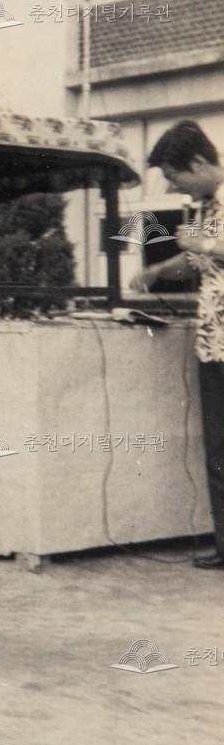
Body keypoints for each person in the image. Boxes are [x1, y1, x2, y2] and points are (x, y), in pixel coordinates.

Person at [131, 120, 224, 570]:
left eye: (175, 175)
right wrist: (156, 272)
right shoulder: (207, 206)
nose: (173, 186)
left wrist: (199, 240)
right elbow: (196, 256)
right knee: (218, 449)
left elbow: (206, 246)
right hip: (214, 341)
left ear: (201, 162)